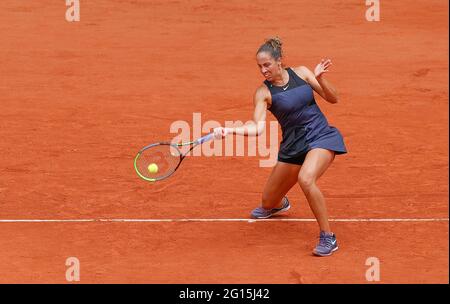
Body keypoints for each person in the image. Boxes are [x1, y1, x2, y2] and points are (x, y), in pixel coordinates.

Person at [213, 37, 347, 257]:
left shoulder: (302, 73)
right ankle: (278, 204)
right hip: (293, 146)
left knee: (306, 178)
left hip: (320, 137)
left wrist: (320, 79)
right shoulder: (263, 93)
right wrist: (228, 130)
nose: (263, 70)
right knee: (267, 202)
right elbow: (256, 128)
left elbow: (334, 98)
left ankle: (328, 237)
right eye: (259, 67)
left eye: (267, 65)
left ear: (279, 61)